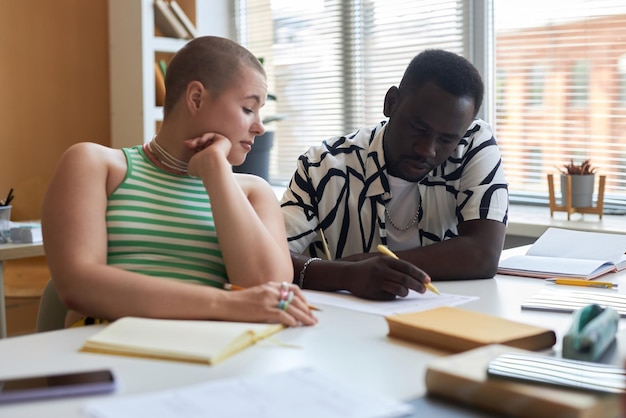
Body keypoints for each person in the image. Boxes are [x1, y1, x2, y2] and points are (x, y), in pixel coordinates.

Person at [42, 36, 317, 327]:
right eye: (249, 108)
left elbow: (268, 290)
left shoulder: (252, 192)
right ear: (196, 98)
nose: (259, 127)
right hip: (103, 352)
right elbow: (79, 286)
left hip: (212, 356)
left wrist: (215, 171)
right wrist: (225, 303)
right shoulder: (95, 164)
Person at [281, 49, 509, 300]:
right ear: (391, 103)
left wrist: (359, 265)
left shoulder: (473, 143)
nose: (427, 150)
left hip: (444, 320)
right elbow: (267, 257)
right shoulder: (321, 167)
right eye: (417, 128)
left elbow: (482, 255)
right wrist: (347, 275)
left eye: (446, 139)